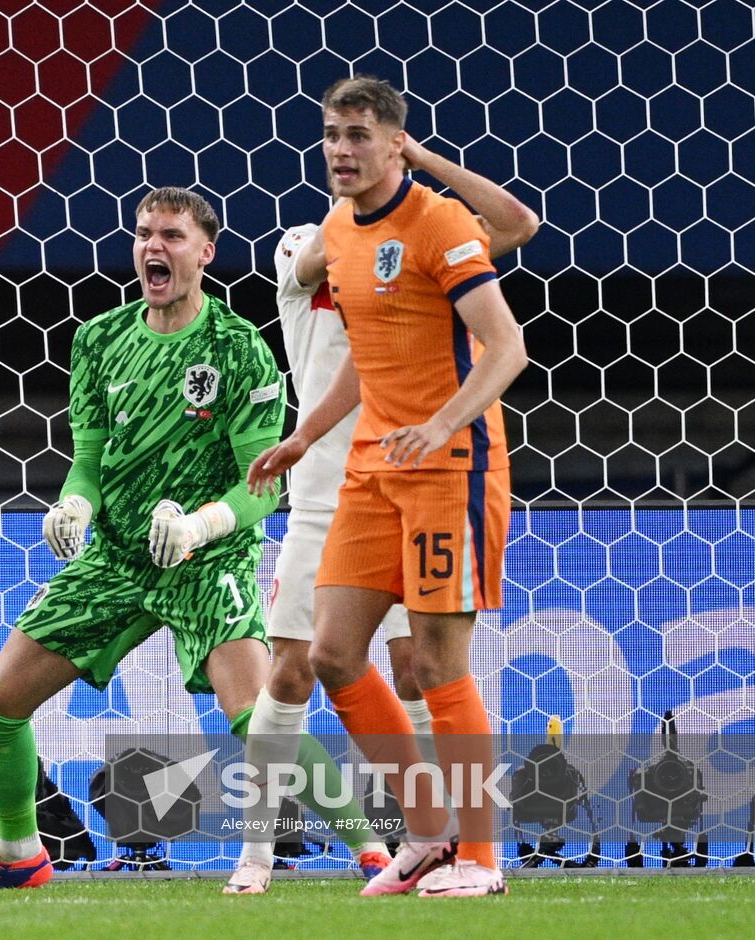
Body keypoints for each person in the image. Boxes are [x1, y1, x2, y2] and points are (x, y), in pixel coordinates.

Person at [0, 187, 286, 889]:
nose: (153, 247)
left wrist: (196, 527)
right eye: (143, 234)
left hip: (205, 558)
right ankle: (21, 855)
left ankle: (371, 843)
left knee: (255, 714)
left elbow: (263, 487)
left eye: (172, 236)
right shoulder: (99, 340)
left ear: (206, 253)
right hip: (120, 558)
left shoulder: (239, 349)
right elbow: (90, 464)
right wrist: (72, 504)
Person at [229, 134, 538, 892]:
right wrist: (362, 206)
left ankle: (468, 851)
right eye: (332, 140)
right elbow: (319, 270)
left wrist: (420, 171)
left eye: (357, 139)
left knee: (422, 665)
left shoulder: (425, 234)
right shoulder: (314, 241)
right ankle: (259, 854)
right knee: (309, 665)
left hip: (424, 469)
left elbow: (516, 226)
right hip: (327, 497)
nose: (340, 152)